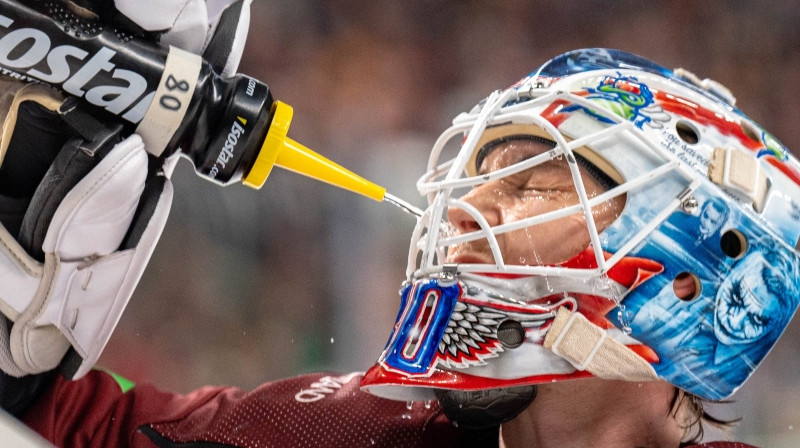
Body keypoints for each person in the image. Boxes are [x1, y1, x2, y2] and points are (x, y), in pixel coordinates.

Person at [0, 3, 798, 448]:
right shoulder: (354, 431)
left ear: (688, 280)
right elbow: (72, 432)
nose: (463, 205)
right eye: (480, 170)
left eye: (529, 180)